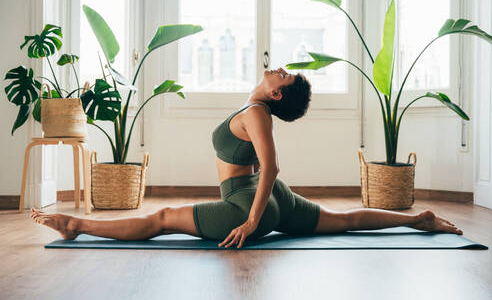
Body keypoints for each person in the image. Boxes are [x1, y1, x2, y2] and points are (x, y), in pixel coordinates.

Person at [30, 68, 463, 249]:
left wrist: (253, 221)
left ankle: (75, 225)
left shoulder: (257, 114)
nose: (278, 68)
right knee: (344, 218)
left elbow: (271, 166)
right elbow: (270, 173)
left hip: (248, 202)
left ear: (276, 93)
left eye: (283, 74)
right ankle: (416, 219)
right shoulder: (255, 108)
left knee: (162, 217)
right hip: (278, 199)